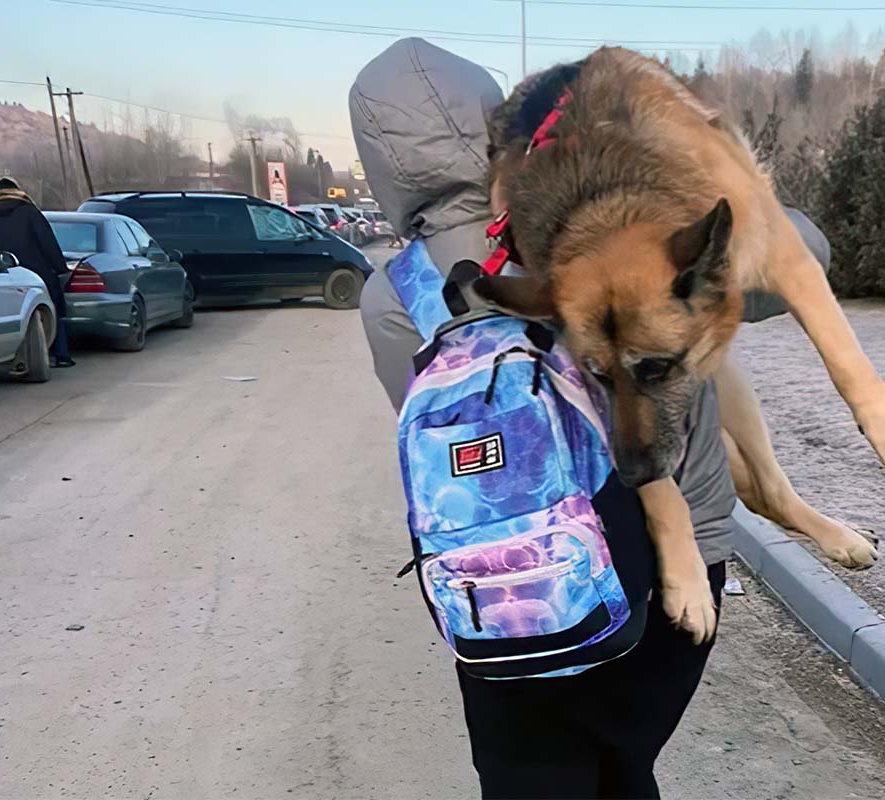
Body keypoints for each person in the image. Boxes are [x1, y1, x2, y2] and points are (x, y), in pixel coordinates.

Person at [351, 38, 830, 799]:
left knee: (534, 778)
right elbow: (805, 253)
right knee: (624, 763)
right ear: (490, 123)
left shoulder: (392, 295)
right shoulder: (610, 227)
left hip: (509, 581)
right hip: (673, 567)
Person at [0, 177, 75, 367]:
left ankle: (22, 357)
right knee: (54, 310)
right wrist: (60, 267)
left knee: (20, 315)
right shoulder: (29, 211)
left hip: (11, 273)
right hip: (39, 271)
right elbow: (47, 242)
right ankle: (61, 355)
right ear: (16, 189)